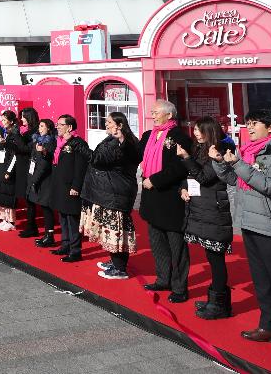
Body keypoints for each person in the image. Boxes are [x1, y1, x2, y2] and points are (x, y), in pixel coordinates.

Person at [211, 109, 271, 359]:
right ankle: (269, 326)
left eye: (254, 124)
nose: (249, 128)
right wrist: (221, 162)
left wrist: (238, 164)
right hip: (250, 221)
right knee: (261, 281)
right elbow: (234, 179)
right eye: (247, 124)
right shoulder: (250, 151)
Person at [178, 117, 234, 318]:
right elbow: (192, 177)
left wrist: (186, 158)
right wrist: (184, 188)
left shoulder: (218, 150)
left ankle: (220, 304)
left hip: (214, 209)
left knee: (216, 257)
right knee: (211, 256)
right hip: (201, 208)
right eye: (195, 130)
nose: (196, 133)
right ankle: (214, 300)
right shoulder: (199, 148)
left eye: (200, 130)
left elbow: (204, 177)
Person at [139, 99, 193, 302]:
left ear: (169, 115)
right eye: (152, 112)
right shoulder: (149, 135)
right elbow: (137, 153)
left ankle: (180, 287)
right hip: (151, 197)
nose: (152, 115)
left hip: (170, 197)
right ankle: (163, 279)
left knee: (176, 246)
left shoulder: (180, 137)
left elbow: (180, 167)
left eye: (156, 112)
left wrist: (155, 179)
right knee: (157, 243)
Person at [80, 112, 142, 279]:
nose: (106, 124)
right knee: (109, 230)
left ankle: (120, 268)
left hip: (117, 192)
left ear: (119, 125)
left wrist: (81, 147)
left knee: (117, 231)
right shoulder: (112, 140)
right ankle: (115, 262)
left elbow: (98, 159)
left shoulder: (126, 142)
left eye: (109, 122)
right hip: (108, 191)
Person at [49, 115, 90, 263]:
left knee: (72, 220)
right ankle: (65, 245)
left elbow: (80, 167)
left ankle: (75, 251)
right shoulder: (60, 142)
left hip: (71, 188)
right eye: (57, 124)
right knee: (63, 218)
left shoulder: (78, 143)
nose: (57, 127)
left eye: (61, 124)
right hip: (60, 186)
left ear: (70, 127)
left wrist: (76, 186)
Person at [0, 110, 25, 231]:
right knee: (0, 193)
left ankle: (11, 221)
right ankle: (4, 219)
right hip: (0, 165)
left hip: (9, 167)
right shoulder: (3, 132)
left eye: (5, 120)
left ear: (11, 121)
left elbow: (15, 155)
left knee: (8, 194)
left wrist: (9, 171)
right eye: (2, 120)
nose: (2, 122)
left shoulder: (15, 133)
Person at [28, 119, 58, 247]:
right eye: (39, 126)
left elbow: (45, 164)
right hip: (38, 176)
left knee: (46, 207)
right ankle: (47, 234)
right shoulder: (37, 140)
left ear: (49, 129)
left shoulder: (50, 142)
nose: (39, 128)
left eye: (42, 126)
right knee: (44, 206)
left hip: (46, 179)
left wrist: (35, 179)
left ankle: (50, 236)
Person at [16, 107, 41, 237]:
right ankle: (30, 225)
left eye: (23, 117)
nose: (21, 120)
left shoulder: (35, 133)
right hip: (23, 166)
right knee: (27, 199)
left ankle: (32, 227)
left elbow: (24, 148)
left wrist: (17, 136)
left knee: (30, 199)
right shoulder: (26, 131)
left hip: (30, 167)